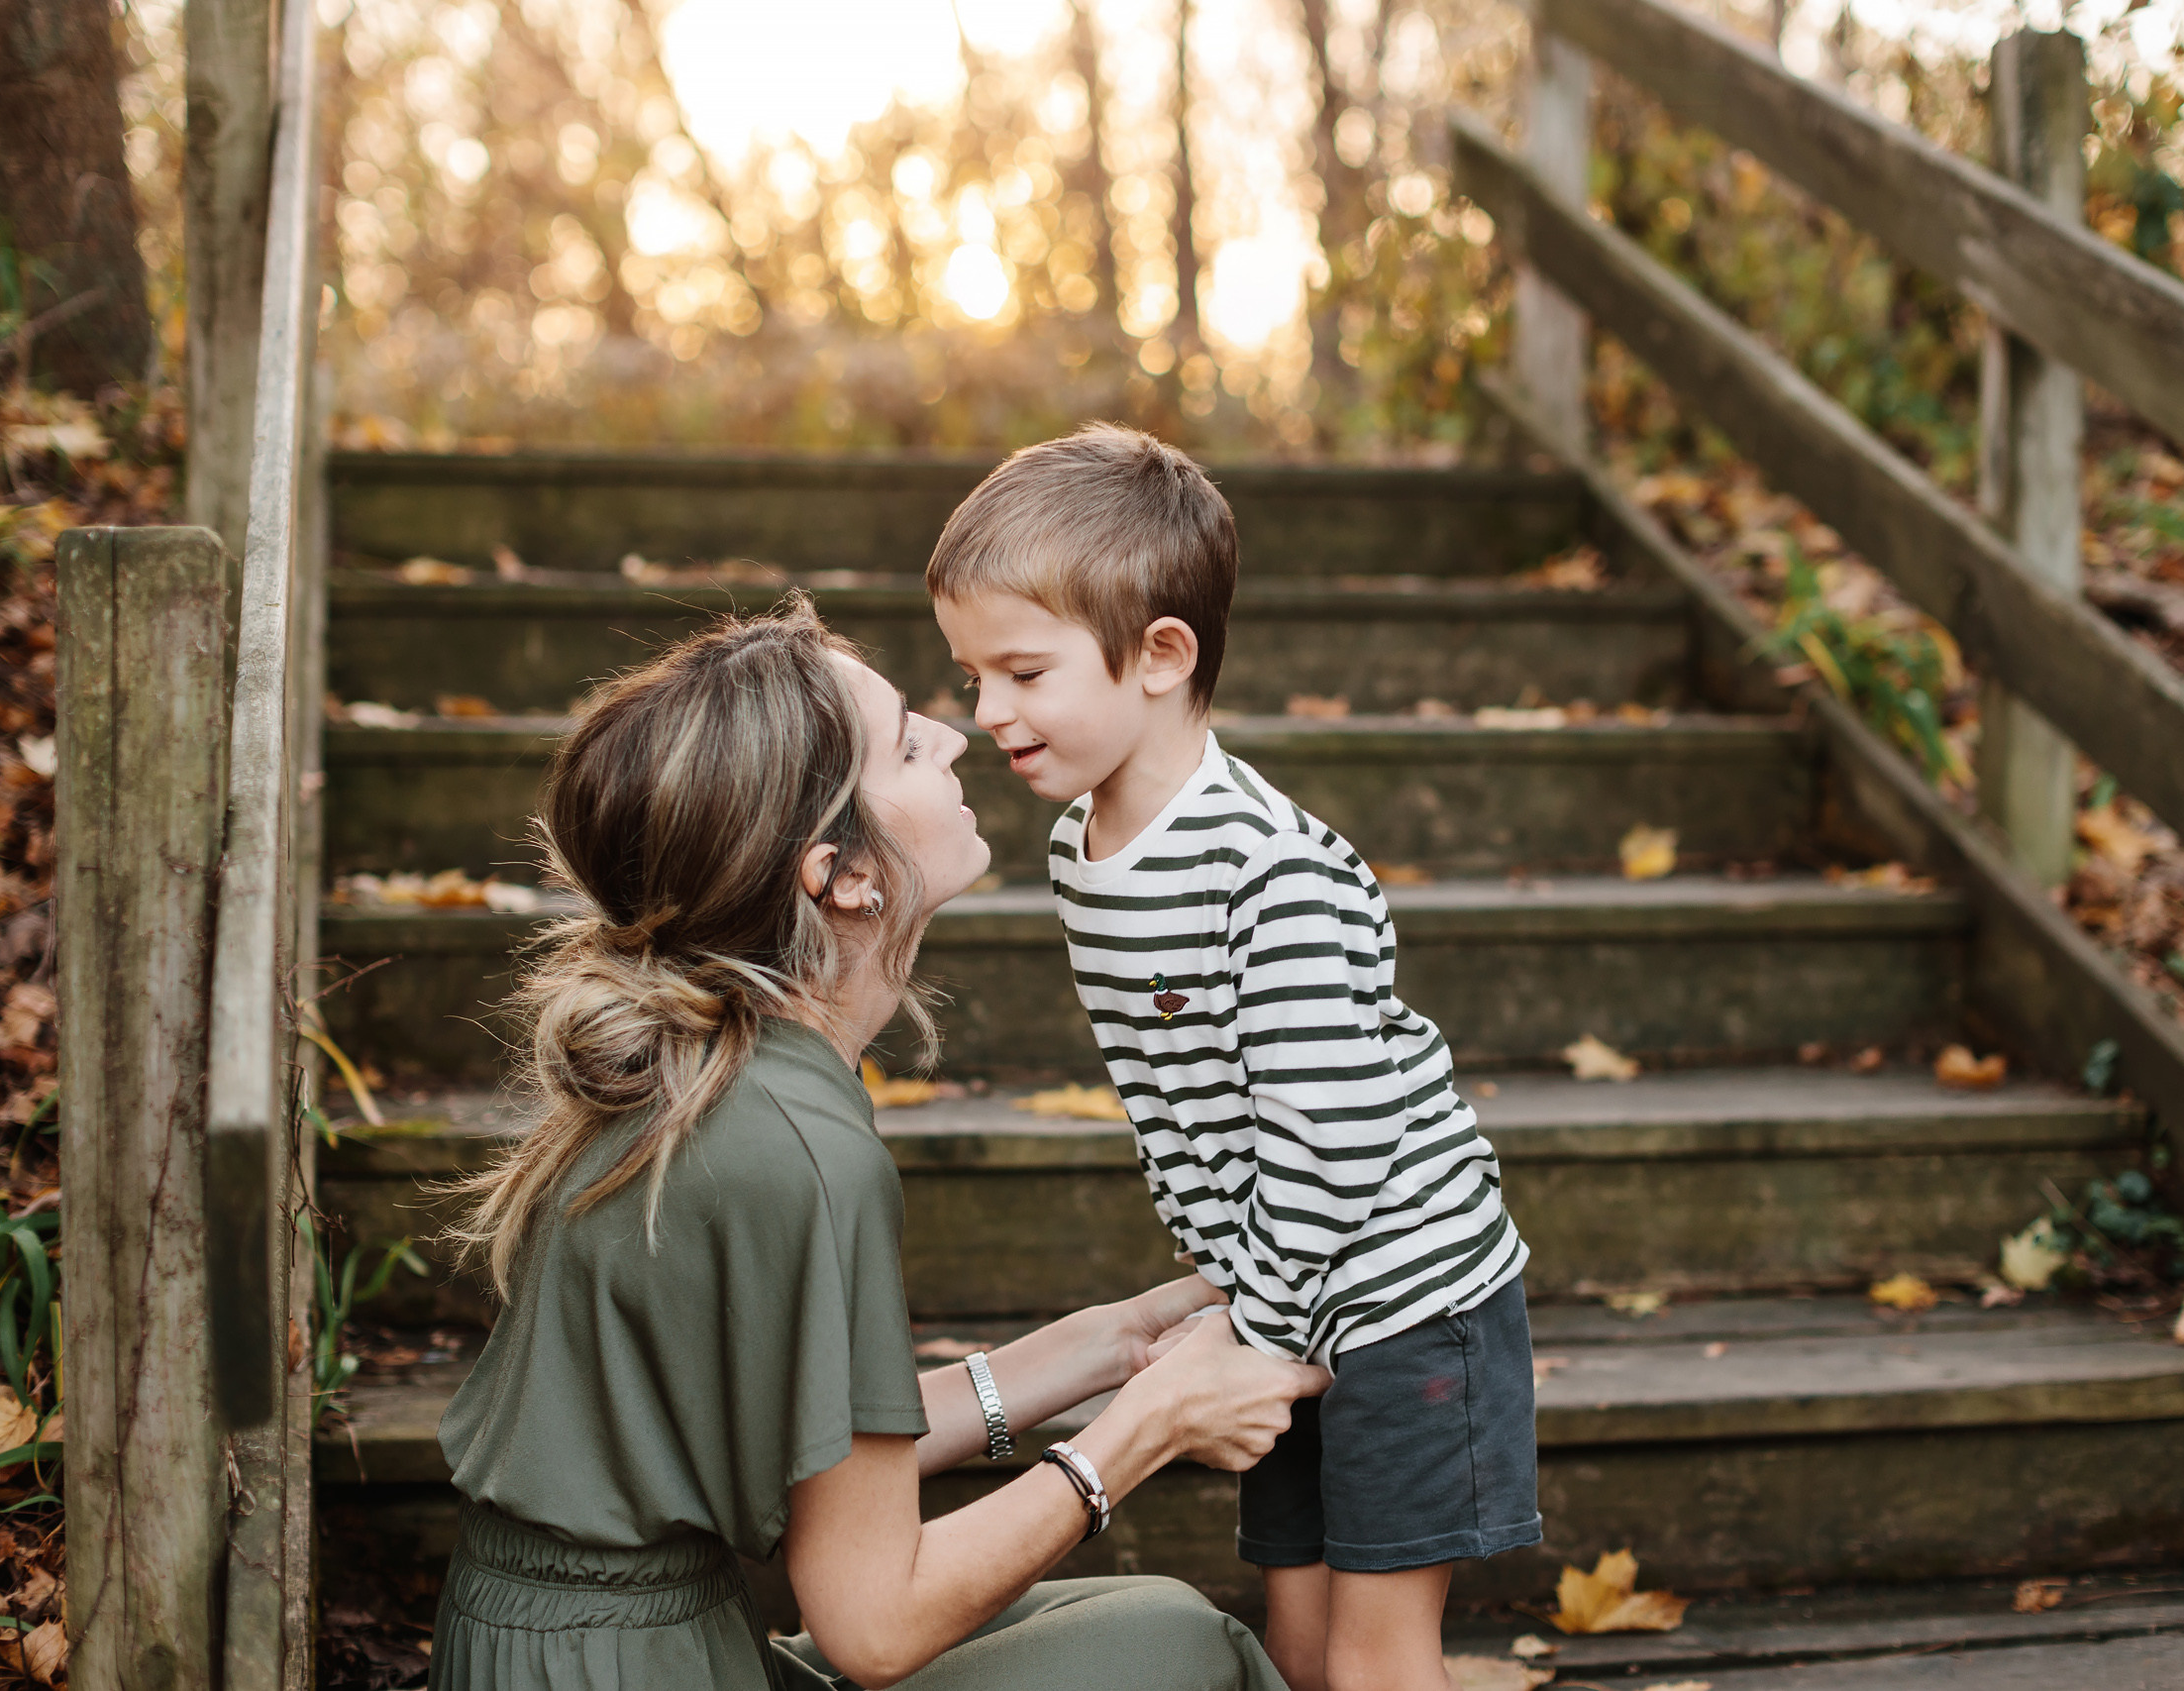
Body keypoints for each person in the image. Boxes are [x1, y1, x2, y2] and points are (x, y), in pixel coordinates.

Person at [429, 600, 1332, 1691]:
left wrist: (1114, 1341)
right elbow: (873, 1624)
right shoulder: (796, 1146)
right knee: (1185, 1656)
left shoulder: (729, 1072)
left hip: (567, 1646)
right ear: (841, 874)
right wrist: (1147, 1426)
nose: (957, 737)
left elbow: (825, 1440)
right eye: (908, 743)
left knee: (1155, 1616)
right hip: (625, 1666)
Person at [929, 426, 1541, 1691]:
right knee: (1301, 1647)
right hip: (1282, 1289)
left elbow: (1332, 1134)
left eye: (1023, 672)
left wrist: (1247, 1327)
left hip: (1405, 1297)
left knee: (1376, 1665)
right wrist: (1241, 1294)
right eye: (970, 676)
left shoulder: (1269, 872)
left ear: (1161, 654)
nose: (987, 712)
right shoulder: (1077, 850)